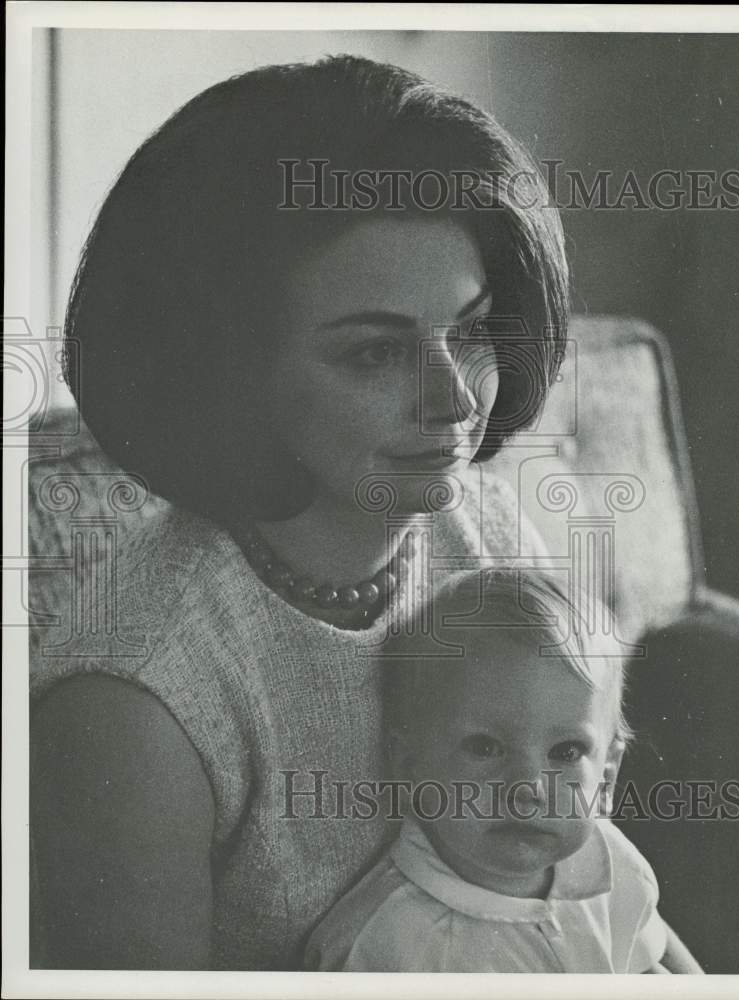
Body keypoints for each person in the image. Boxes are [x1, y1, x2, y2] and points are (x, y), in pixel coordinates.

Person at [28, 55, 568, 969]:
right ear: (232, 376)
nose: (455, 402)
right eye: (373, 356)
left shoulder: (484, 534)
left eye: (473, 332)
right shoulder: (134, 701)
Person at [304, 569, 704, 973]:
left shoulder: (612, 865)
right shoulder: (388, 944)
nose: (527, 788)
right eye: (485, 747)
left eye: (566, 751)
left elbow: (651, 972)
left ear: (606, 779)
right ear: (408, 767)